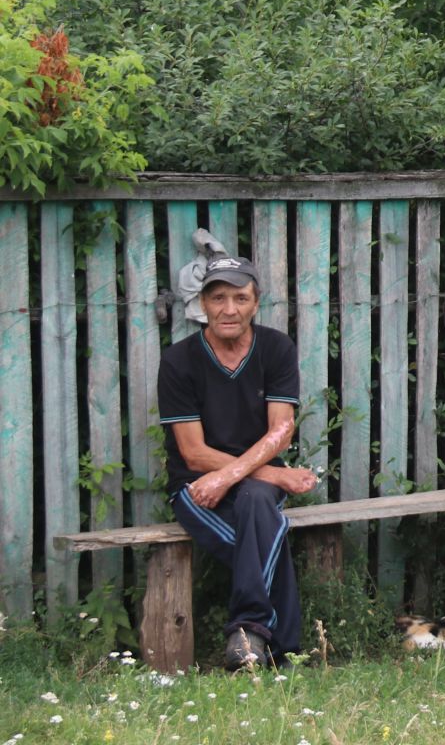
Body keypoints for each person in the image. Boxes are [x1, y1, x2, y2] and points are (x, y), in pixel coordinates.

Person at [157, 256, 317, 669]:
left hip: (252, 490)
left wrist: (236, 475)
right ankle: (284, 650)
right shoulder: (178, 361)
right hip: (196, 486)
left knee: (256, 503)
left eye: (240, 298)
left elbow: (281, 429)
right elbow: (192, 453)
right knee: (266, 536)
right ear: (203, 305)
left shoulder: (276, 348)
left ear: (256, 302)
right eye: (219, 298)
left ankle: (247, 633)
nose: (230, 309)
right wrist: (273, 473)